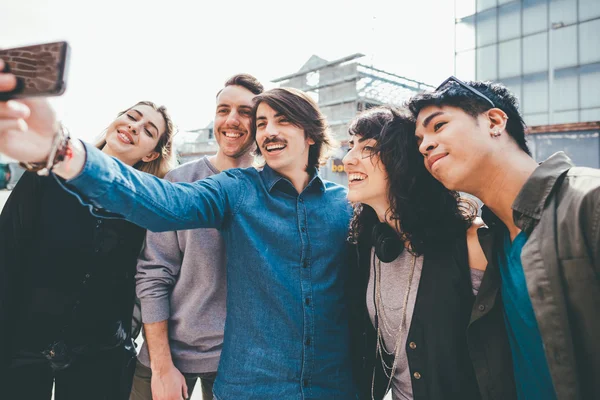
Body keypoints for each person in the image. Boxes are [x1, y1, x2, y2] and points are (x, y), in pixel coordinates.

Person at [0, 67, 358, 399]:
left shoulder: (345, 204)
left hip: (325, 382)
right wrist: (62, 149)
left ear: (311, 133)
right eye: (262, 122)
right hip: (240, 378)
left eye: (280, 120)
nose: (268, 131)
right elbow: (163, 203)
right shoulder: (236, 188)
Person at [408, 76, 600, 400]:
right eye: (419, 141)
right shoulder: (492, 238)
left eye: (438, 126)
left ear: (494, 121)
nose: (425, 146)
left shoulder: (588, 202)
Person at [0, 97, 176, 400]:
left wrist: (124, 334)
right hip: (21, 343)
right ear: (115, 120)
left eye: (148, 130)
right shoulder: (47, 175)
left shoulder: (144, 207)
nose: (134, 127)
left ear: (152, 152)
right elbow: (6, 250)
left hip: (99, 354)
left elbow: (143, 277)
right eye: (131, 117)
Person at [130, 74, 263, 400]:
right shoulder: (180, 182)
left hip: (243, 360)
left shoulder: (271, 189)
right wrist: (161, 366)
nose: (231, 120)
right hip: (170, 353)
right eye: (223, 109)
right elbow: (153, 275)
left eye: (244, 111)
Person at [343, 106, 490, 400]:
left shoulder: (470, 241)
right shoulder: (369, 245)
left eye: (368, 148)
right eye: (350, 147)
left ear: (404, 162)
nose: (348, 160)